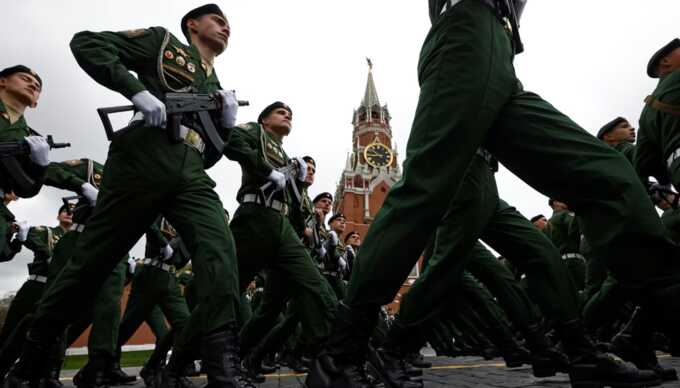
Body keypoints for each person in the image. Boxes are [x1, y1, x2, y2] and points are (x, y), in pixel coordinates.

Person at [307, 1, 678, 387]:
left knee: (606, 176)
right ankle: (340, 357)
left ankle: (595, 343)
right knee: (424, 193)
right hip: (468, 31)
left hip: (500, 53)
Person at [5, 4, 249, 387]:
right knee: (91, 265)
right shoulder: (162, 42)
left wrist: (227, 124)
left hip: (190, 171)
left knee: (220, 249)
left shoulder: (213, 82)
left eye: (228, 24)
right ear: (193, 25)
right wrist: (136, 91)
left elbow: (211, 152)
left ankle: (224, 370)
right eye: (217, 20)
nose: (225, 27)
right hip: (143, 157)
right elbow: (87, 43)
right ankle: (31, 358)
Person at [226, 102, 337, 378]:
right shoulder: (254, 131)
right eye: (280, 112)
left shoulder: (287, 158)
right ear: (264, 120)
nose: (287, 115)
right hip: (254, 219)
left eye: (290, 113)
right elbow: (231, 142)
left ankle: (334, 358)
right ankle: (183, 361)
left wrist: (309, 230)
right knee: (225, 295)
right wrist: (267, 170)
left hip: (282, 230)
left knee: (315, 290)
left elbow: (294, 209)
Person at [0, 65, 51, 198]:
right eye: (25, 79)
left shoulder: (31, 139)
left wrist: (40, 165)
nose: (33, 86)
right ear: (2, 81)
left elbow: (25, 190)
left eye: (37, 87)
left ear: (35, 103)